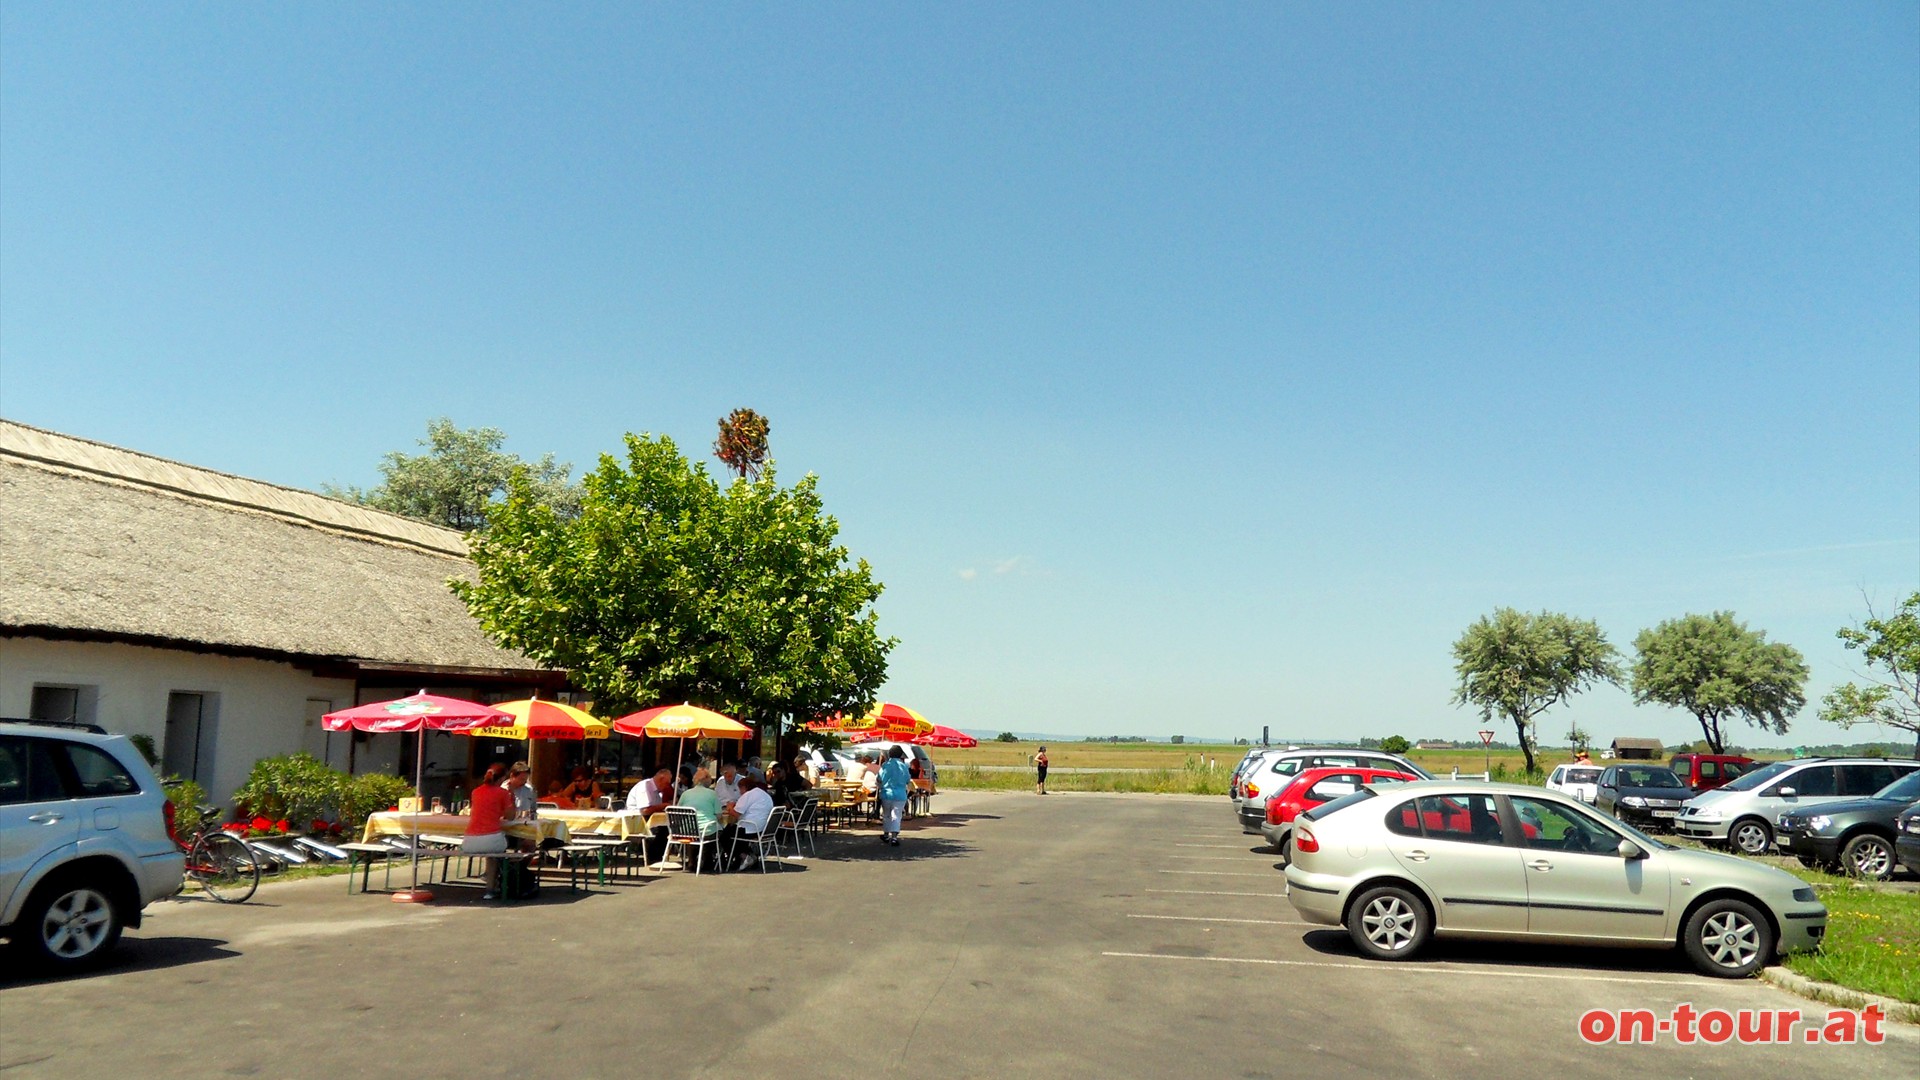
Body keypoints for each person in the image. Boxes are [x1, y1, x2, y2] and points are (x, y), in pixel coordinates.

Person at [464, 763, 515, 898]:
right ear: (502, 779)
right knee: (494, 854)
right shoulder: (503, 793)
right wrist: (512, 797)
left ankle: (491, 882)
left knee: (492, 853)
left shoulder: (475, 792)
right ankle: (490, 889)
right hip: (491, 838)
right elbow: (511, 817)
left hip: (469, 840)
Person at [677, 767, 723, 870]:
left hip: (686, 831)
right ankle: (706, 859)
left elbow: (677, 810)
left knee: (694, 830)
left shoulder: (685, 794)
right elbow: (719, 815)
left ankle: (693, 860)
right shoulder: (712, 794)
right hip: (705, 831)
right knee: (717, 830)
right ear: (706, 779)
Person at [727, 775, 776, 869]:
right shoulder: (764, 794)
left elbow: (737, 814)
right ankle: (747, 856)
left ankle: (744, 856)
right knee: (732, 831)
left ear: (744, 788)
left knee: (725, 835)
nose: (740, 792)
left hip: (750, 828)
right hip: (764, 829)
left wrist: (729, 807)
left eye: (740, 789)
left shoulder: (748, 795)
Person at [876, 746, 912, 847]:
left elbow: (879, 779)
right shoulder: (903, 766)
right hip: (900, 794)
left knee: (886, 815)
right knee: (896, 815)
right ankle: (894, 837)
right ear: (900, 754)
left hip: (886, 793)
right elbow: (907, 780)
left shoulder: (885, 765)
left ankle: (886, 834)